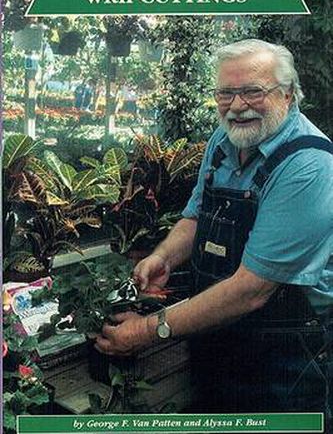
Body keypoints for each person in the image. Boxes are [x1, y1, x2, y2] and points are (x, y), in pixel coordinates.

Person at [95, 40, 333, 423]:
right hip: (215, 338)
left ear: (288, 95)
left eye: (253, 91)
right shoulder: (224, 141)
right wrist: (163, 257)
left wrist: (144, 331)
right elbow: (195, 215)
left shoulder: (308, 166)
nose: (237, 106)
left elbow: (251, 290)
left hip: (284, 358)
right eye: (226, 93)